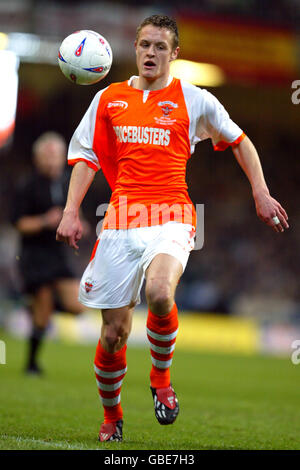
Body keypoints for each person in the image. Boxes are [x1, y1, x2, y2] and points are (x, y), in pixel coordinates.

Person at [56, 15, 289, 442]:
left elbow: (240, 140)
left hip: (172, 213)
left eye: (160, 47)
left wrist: (260, 191)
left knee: (160, 293)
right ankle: (112, 417)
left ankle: (161, 381)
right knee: (114, 334)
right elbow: (85, 155)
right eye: (144, 44)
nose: (150, 53)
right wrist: (71, 211)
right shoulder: (109, 98)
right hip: (121, 219)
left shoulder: (194, 99)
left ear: (174, 53)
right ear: (135, 47)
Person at [13, 132, 84, 375]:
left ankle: (35, 304)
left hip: (58, 255)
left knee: (78, 305)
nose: (52, 160)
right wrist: (45, 221)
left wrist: (78, 224)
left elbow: (76, 212)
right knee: (42, 317)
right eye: (48, 155)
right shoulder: (26, 185)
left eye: (56, 155)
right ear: (37, 158)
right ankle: (31, 364)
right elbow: (19, 223)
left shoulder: (67, 182)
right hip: (34, 255)